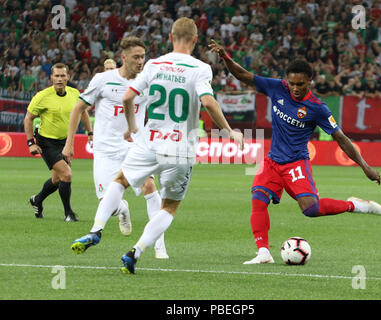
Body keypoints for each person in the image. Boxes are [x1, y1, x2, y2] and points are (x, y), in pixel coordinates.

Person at [69, 17, 244, 274]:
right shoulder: (201, 68)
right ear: (195, 40)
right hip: (181, 148)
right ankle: (135, 251)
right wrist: (229, 131)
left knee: (120, 181)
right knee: (169, 206)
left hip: (149, 142)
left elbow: (128, 96)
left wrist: (132, 127)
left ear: (171, 37)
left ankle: (96, 229)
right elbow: (208, 102)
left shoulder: (154, 64)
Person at [209, 40, 381, 265]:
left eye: (300, 83)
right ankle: (263, 253)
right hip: (273, 161)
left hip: (296, 164)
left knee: (311, 210)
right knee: (258, 199)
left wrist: (365, 166)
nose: (295, 88)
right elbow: (243, 75)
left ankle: (354, 205)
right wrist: (225, 57)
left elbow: (341, 138)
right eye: (292, 83)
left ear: (309, 81)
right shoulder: (277, 87)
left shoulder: (317, 108)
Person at [63, 37, 169, 259]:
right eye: (136, 57)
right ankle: (121, 209)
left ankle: (159, 245)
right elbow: (78, 108)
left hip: (134, 147)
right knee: (107, 205)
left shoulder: (147, 82)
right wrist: (70, 143)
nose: (141, 61)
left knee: (150, 186)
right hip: (105, 150)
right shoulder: (103, 80)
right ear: (124, 58)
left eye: (143, 57)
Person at [24, 63, 93, 222]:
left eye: (63, 76)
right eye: (57, 76)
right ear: (51, 78)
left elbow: (82, 113)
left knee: (57, 179)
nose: (60, 79)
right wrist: (30, 143)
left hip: (64, 141)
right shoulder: (42, 96)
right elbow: (28, 118)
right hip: (46, 142)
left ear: (68, 77)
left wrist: (90, 132)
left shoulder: (75, 93)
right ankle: (68, 213)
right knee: (66, 174)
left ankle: (37, 200)